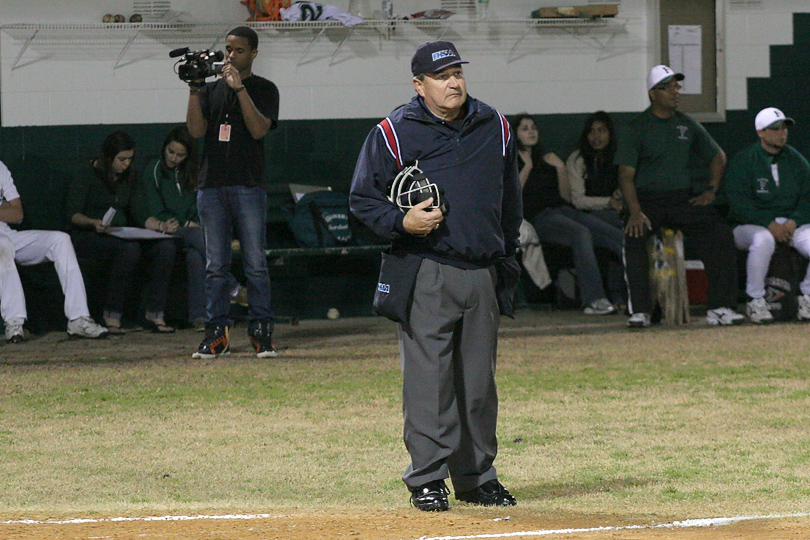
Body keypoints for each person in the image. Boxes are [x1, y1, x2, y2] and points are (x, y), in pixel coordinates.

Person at [350, 40, 521, 512]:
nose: (454, 82)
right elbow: (363, 199)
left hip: (483, 270)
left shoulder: (497, 125)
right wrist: (401, 222)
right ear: (419, 84)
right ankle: (426, 479)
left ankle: (476, 477)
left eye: (458, 73)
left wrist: (508, 258)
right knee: (429, 383)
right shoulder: (392, 132)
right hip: (427, 269)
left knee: (479, 386)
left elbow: (511, 200)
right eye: (442, 76)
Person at [615, 64, 744, 328]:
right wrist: (635, 210)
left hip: (681, 198)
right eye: (668, 87)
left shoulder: (686, 124)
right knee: (635, 235)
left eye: (677, 86)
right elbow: (626, 175)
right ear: (653, 93)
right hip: (647, 200)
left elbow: (718, 157)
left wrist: (710, 191)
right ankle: (640, 311)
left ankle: (720, 307)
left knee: (719, 232)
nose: (675, 92)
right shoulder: (637, 127)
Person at [186, 26, 280, 359]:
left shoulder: (265, 89)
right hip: (211, 185)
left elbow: (258, 130)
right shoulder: (210, 91)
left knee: (255, 263)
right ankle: (216, 333)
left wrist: (239, 90)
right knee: (216, 266)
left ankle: (261, 330)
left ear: (253, 53)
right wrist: (195, 89)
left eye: (238, 50)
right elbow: (195, 131)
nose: (231, 55)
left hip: (248, 185)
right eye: (227, 49)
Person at [66, 130, 177, 334]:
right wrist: (93, 222)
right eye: (121, 159)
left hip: (121, 232)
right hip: (91, 234)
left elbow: (141, 214)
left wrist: (162, 227)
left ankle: (154, 312)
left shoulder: (129, 177)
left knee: (166, 247)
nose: (125, 164)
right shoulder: (87, 173)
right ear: (109, 157)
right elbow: (73, 214)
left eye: (129, 159)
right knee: (129, 250)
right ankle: (112, 314)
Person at [513, 113, 622, 314]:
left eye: (533, 128)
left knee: (613, 234)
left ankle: (634, 297)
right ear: (516, 135)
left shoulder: (546, 158)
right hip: (540, 217)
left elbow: (566, 197)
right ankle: (594, 300)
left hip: (563, 210)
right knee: (581, 233)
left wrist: (560, 168)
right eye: (525, 128)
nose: (531, 132)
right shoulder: (512, 161)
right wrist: (527, 166)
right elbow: (512, 196)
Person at [141, 125, 244, 330]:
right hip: (166, 231)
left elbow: (199, 202)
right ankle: (232, 286)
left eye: (180, 155)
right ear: (164, 149)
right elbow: (154, 206)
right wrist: (171, 221)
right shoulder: (154, 170)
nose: (174, 158)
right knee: (198, 235)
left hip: (189, 230)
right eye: (170, 152)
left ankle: (199, 316)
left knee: (196, 256)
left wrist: (192, 219)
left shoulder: (193, 171)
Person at [0, 160, 108, 342]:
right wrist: (4, 208)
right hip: (3, 242)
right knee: (3, 246)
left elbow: (17, 215)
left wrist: (9, 210)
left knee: (60, 240)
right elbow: (9, 211)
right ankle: (14, 323)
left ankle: (78, 318)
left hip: (6, 233)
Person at [725, 107, 810, 323]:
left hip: (790, 224)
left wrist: (793, 221)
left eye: (783, 128)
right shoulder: (745, 160)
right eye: (775, 129)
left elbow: (807, 198)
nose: (782, 133)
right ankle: (755, 300)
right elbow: (738, 204)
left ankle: (806, 297)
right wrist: (768, 223)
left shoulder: (796, 160)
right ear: (760, 132)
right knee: (762, 239)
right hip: (749, 226)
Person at [566, 110, 627, 306]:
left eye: (601, 131)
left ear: (610, 133)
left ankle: (621, 296)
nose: (596, 137)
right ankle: (616, 297)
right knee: (621, 234)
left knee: (628, 229)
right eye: (591, 132)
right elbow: (578, 200)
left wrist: (618, 200)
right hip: (588, 215)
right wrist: (608, 202)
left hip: (616, 214)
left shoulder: (620, 157)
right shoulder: (577, 160)